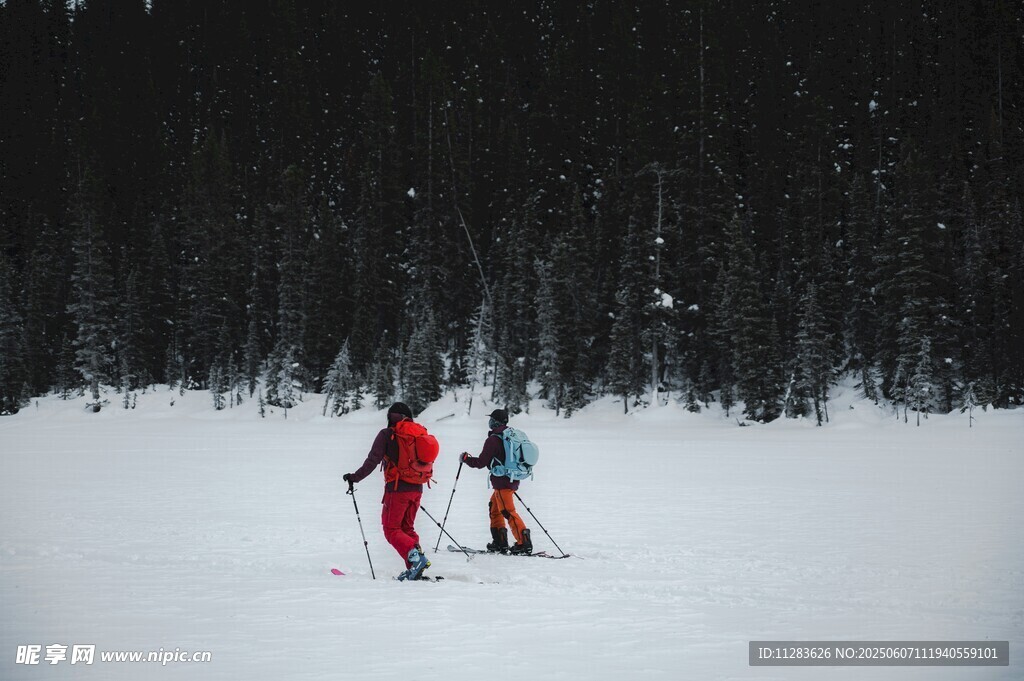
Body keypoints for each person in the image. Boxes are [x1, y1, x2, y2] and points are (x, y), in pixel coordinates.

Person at [343, 402, 430, 580]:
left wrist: (354, 477)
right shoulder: (417, 434)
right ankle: (416, 566)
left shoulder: (388, 434)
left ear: (391, 416)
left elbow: (372, 460)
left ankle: (416, 557)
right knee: (407, 528)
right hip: (417, 487)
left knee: (391, 529)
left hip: (397, 490)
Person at [460, 408, 532, 555]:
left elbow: (481, 462)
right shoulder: (510, 436)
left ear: (494, 421)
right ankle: (500, 542)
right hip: (511, 479)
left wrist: (466, 459)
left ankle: (523, 543)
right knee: (495, 507)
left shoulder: (493, 439)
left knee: (507, 511)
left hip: (502, 482)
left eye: (491, 419)